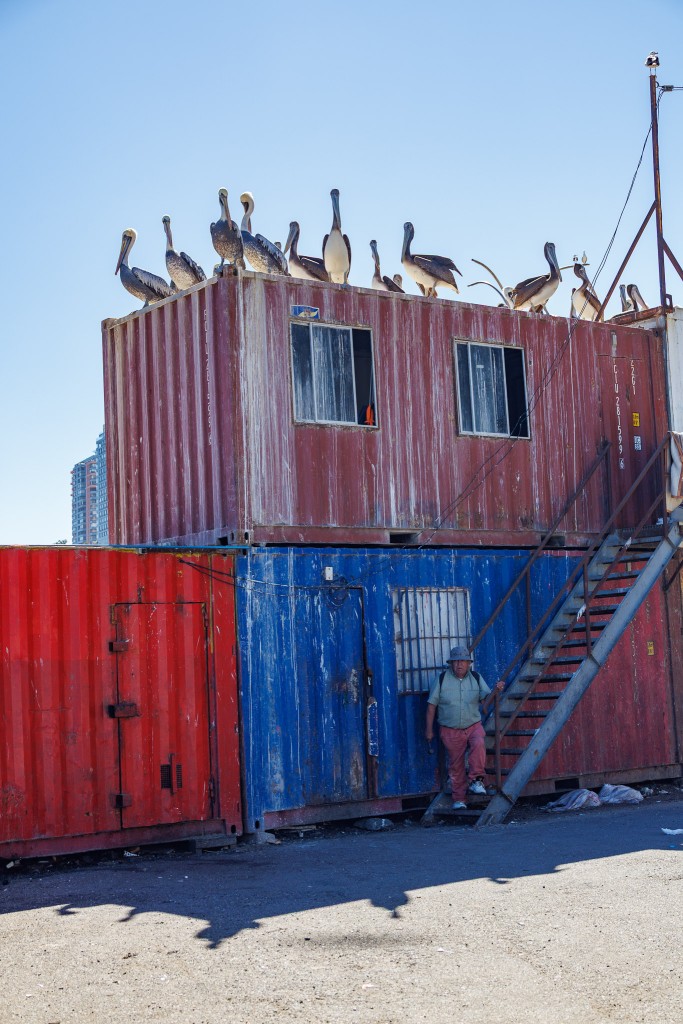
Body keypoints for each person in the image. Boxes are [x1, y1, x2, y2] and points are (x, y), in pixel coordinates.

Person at [425, 645, 505, 809]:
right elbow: (431, 706)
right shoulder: (442, 679)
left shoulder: (476, 677)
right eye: (455, 662)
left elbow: (486, 700)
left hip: (473, 725)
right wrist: (429, 730)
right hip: (450, 729)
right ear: (451, 664)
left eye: (462, 661)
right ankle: (459, 800)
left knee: (478, 743)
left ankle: (476, 780)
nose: (459, 665)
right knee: (456, 765)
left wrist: (496, 690)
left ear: (469, 663)